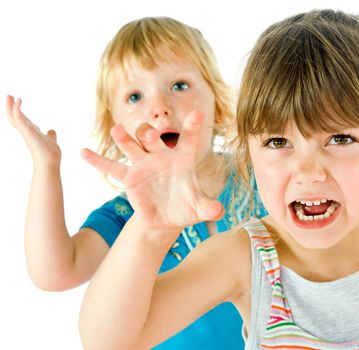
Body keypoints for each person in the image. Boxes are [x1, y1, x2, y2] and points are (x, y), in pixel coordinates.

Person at [79, 9, 359, 349]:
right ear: (249, 152)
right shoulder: (245, 259)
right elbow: (111, 340)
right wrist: (150, 230)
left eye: (340, 138)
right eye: (278, 141)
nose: (308, 170)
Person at [6, 16, 266, 350]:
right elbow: (55, 272)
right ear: (114, 125)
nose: (159, 108)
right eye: (134, 97)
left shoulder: (261, 176)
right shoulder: (127, 215)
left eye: (179, 85)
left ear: (216, 103)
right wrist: (46, 167)